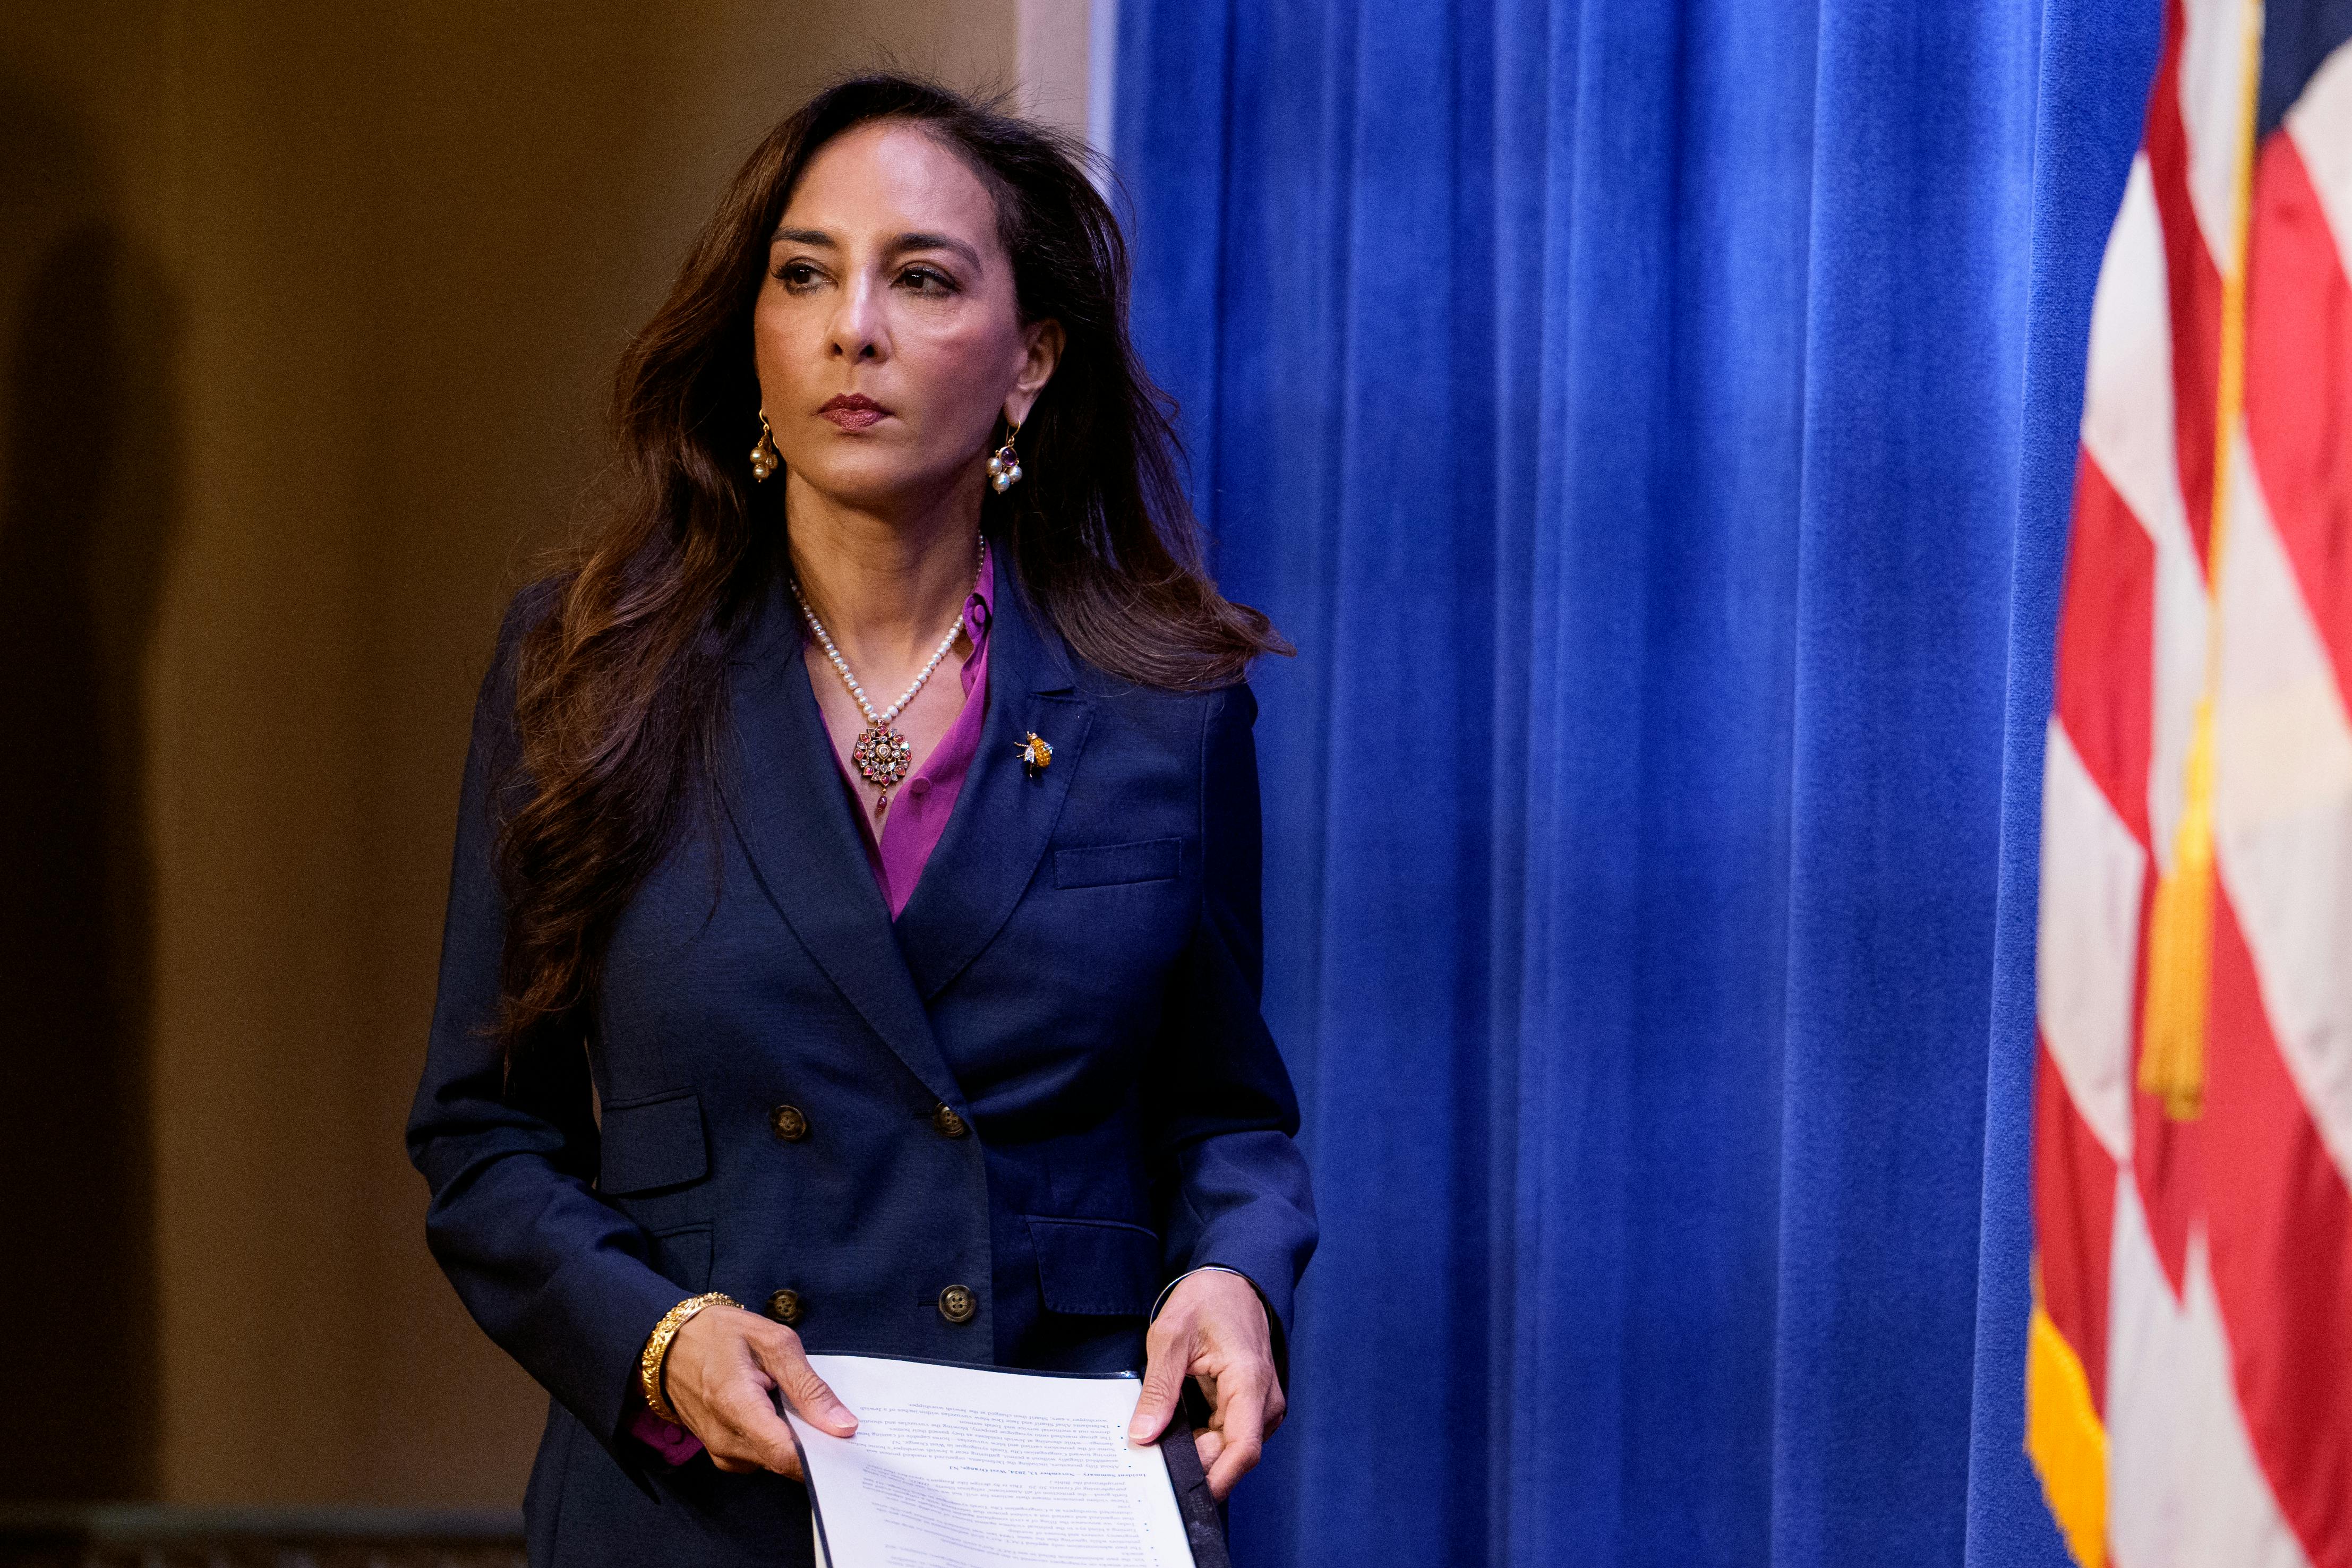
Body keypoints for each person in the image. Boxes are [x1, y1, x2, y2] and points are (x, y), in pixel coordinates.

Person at [406, 73, 1316, 1566]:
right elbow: (484, 1133)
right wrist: (656, 1338)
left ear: (1030, 363)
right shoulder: (583, 675)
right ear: (754, 336)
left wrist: (1239, 1278)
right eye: (806, 274)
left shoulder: (1168, 701)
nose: (854, 330)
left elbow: (1225, 1118)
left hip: (1045, 1487)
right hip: (694, 1504)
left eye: (922, 279)